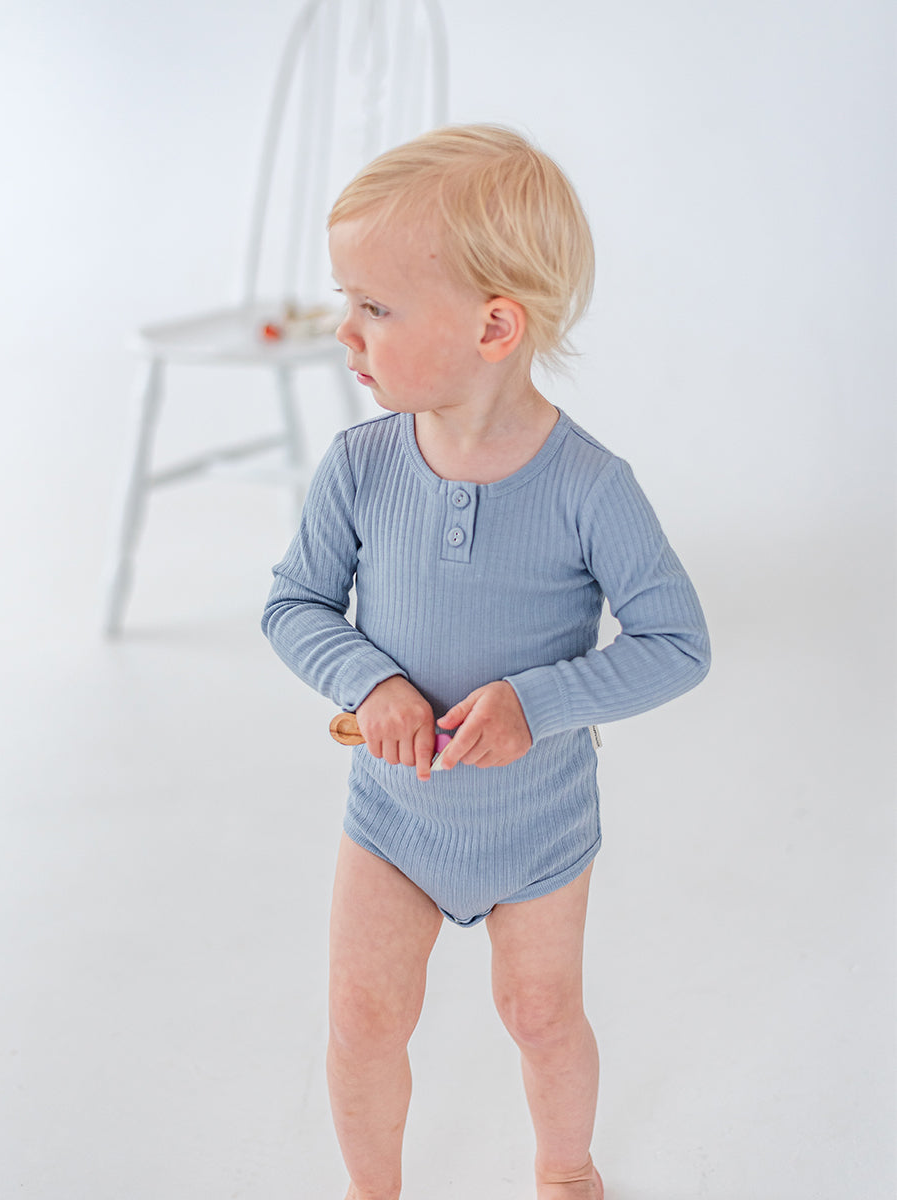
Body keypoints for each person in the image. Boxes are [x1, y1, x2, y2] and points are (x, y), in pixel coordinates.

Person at [262, 124, 710, 1200]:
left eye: (376, 307)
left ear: (494, 326)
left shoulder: (590, 486)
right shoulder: (360, 466)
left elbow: (677, 644)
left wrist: (538, 701)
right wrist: (371, 682)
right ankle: (374, 1189)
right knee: (363, 1017)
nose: (345, 330)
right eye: (347, 300)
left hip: (538, 825)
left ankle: (566, 1169)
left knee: (541, 1013)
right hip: (395, 819)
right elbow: (293, 605)